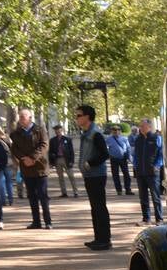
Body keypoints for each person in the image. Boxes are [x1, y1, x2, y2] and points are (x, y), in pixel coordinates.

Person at [75, 104, 112, 250]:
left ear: (87, 117)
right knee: (95, 208)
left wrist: (89, 163)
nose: (76, 118)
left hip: (97, 175)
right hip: (90, 175)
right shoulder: (86, 133)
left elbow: (104, 154)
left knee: (99, 207)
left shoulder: (95, 134)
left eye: (79, 115)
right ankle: (98, 238)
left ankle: (104, 240)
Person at [10, 109, 52, 229]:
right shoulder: (16, 133)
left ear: (30, 118)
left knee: (43, 195)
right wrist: (24, 158)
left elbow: (44, 145)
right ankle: (36, 222)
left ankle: (48, 221)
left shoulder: (40, 130)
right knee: (32, 196)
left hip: (40, 167)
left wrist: (33, 158)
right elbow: (14, 148)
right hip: (26, 168)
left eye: (23, 117)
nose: (21, 119)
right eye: (20, 117)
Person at [132, 118, 164, 224]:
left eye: (143, 126)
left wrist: (157, 165)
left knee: (156, 197)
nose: (140, 128)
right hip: (140, 172)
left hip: (152, 173)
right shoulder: (138, 139)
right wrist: (135, 165)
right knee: (143, 197)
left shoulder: (156, 138)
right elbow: (135, 155)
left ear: (149, 127)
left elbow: (161, 154)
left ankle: (159, 219)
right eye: (140, 126)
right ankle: (146, 219)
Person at [49, 124, 78, 197]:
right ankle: (64, 192)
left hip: (66, 159)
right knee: (60, 177)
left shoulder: (67, 139)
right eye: (56, 130)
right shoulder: (52, 140)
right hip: (57, 160)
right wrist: (51, 162)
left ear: (61, 130)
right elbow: (50, 152)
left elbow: (71, 151)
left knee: (71, 176)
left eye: (59, 130)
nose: (57, 131)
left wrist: (72, 161)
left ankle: (75, 192)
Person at [106, 124, 133, 195]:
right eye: (114, 129)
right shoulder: (108, 139)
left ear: (120, 131)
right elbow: (105, 148)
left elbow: (128, 148)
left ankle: (128, 189)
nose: (116, 131)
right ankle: (119, 190)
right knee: (115, 175)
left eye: (118, 129)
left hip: (123, 158)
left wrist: (129, 157)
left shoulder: (124, 138)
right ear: (112, 131)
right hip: (114, 159)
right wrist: (108, 155)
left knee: (126, 174)